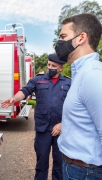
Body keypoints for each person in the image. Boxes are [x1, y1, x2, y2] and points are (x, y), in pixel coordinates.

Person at [1, 54, 71, 180]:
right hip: (43, 129)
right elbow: (25, 91)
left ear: (61, 68)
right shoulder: (38, 80)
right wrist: (14, 98)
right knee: (41, 163)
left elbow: (73, 107)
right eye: (49, 65)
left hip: (61, 129)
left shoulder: (68, 82)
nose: (50, 68)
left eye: (53, 66)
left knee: (59, 165)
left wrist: (63, 124)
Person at [55, 13, 102, 180]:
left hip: (87, 173)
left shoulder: (93, 75)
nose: (59, 43)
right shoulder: (81, 73)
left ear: (81, 38)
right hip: (76, 169)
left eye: (63, 36)